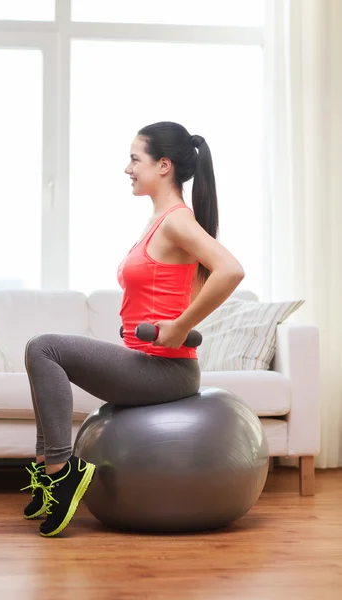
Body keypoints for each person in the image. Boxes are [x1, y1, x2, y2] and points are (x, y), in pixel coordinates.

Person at [21, 121, 245, 538]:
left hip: (165, 371)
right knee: (43, 360)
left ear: (163, 166)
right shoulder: (160, 222)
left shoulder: (177, 221)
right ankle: (48, 473)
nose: (127, 168)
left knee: (43, 348)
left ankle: (60, 474)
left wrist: (180, 326)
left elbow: (231, 271)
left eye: (134, 159)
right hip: (148, 363)